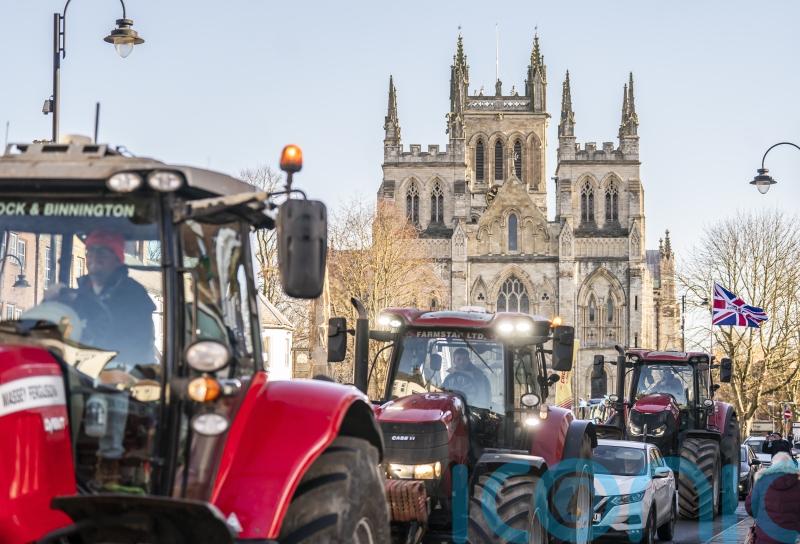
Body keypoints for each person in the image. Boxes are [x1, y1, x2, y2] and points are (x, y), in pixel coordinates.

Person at [745, 451, 800, 543]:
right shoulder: (797, 484)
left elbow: (750, 508)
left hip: (764, 536)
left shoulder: (762, 482)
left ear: (773, 465)